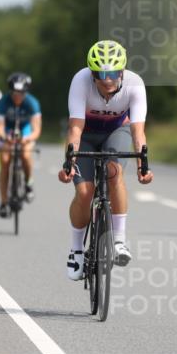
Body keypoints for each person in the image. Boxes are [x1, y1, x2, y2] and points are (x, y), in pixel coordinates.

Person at [58, 40, 153, 280]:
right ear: (92, 73)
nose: (107, 79)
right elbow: (75, 129)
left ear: (121, 71)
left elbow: (138, 132)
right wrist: (68, 164)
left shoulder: (135, 84)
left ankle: (119, 241)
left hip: (117, 131)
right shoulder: (80, 81)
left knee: (114, 172)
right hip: (86, 134)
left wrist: (143, 166)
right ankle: (76, 249)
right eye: (101, 73)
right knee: (84, 193)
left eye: (112, 73)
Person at [0, 73, 42, 218]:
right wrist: (4, 137)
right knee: (4, 160)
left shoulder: (32, 103)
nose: (18, 96)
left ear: (25, 92)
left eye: (21, 93)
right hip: (8, 131)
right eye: (15, 92)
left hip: (25, 131)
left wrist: (27, 139)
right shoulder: (2, 103)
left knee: (26, 154)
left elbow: (36, 129)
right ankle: (3, 202)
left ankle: (28, 183)